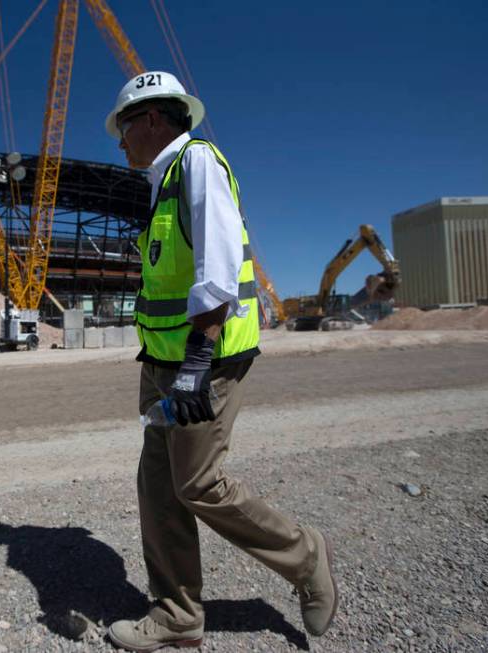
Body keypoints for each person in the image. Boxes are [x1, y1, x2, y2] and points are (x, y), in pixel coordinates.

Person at [104, 72, 339, 651]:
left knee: (199, 484)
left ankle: (305, 555)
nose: (119, 141)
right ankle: (178, 617)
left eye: (123, 128)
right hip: (160, 365)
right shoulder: (163, 185)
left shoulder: (198, 164)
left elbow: (218, 267)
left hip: (202, 364)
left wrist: (194, 364)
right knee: (158, 488)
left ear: (153, 120)